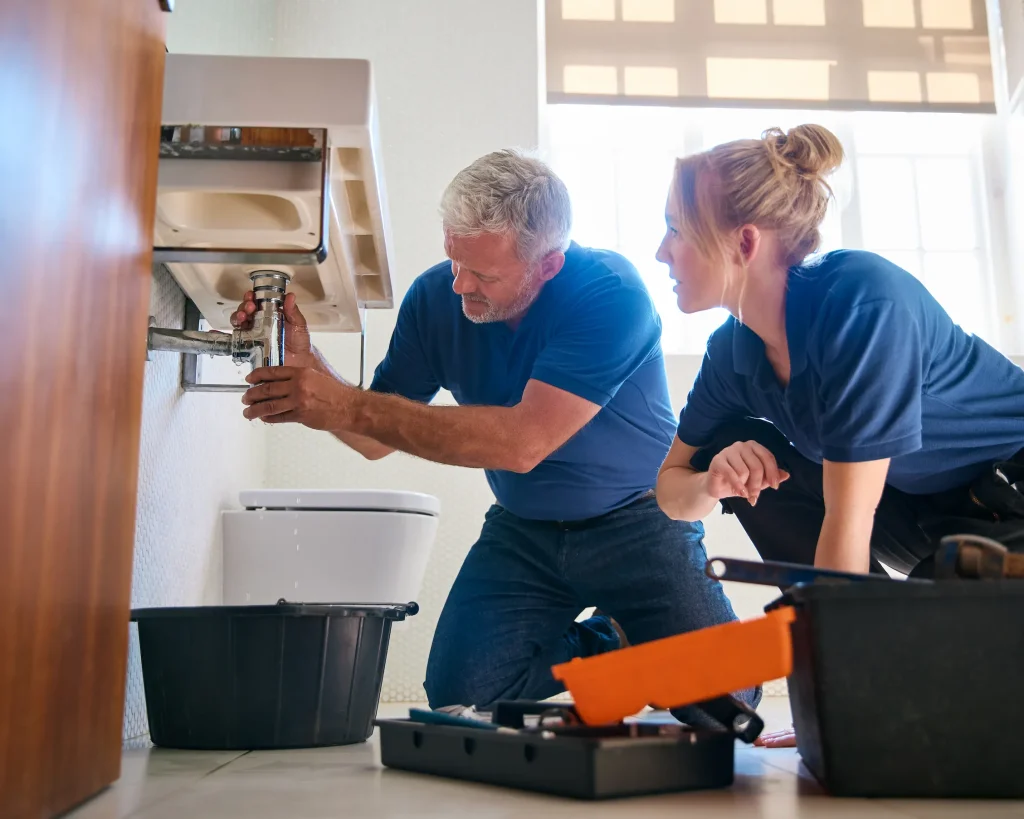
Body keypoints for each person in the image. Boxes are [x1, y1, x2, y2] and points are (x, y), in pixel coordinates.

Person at [236, 149, 755, 713]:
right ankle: (612, 638)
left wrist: (345, 405)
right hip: (524, 532)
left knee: (727, 701)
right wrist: (312, 370)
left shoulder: (611, 295)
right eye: (455, 261)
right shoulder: (436, 299)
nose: (460, 286)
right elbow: (373, 435)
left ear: (547, 265)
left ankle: (662, 644)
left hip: (638, 522)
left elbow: (521, 444)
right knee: (464, 696)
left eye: (484, 274)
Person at [653, 124, 1024, 745]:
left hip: (1008, 500)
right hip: (924, 514)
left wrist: (837, 709)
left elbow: (848, 525)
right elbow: (668, 489)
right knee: (742, 441)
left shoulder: (862, 304)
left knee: (940, 632)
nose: (662, 252)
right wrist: (713, 480)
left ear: (744, 241)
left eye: (675, 229)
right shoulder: (731, 354)